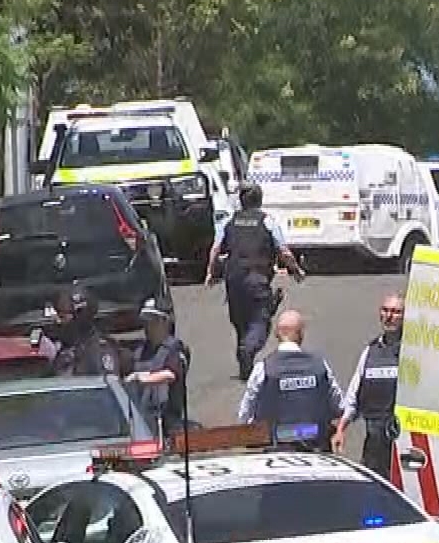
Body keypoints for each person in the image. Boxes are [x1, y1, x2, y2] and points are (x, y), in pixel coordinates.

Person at [205, 183, 305, 380]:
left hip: (233, 280)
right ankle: (247, 350)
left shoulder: (229, 221)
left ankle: (244, 359)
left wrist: (211, 272)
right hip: (257, 278)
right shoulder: (267, 221)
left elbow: (215, 249)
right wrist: (296, 270)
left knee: (240, 321)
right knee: (261, 320)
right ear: (260, 200)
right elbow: (283, 251)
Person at [237, 310, 341, 452]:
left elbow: (246, 414)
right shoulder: (320, 365)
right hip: (317, 448)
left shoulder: (264, 368)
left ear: (276, 334)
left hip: (277, 450)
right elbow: (339, 405)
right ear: (301, 334)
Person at [333, 293, 404, 474]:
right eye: (385, 310)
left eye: (396, 312)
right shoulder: (370, 351)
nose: (389, 316)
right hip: (374, 444)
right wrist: (341, 430)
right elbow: (353, 396)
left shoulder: (410, 352)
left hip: (403, 443)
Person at [125, 298, 191, 430]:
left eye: (153, 321)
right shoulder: (140, 351)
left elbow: (170, 375)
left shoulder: (174, 349)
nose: (148, 326)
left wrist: (142, 378)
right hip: (142, 417)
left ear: (165, 322)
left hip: (166, 420)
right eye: (146, 321)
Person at [50, 287, 120, 377]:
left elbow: (106, 386)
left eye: (62, 316)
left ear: (79, 318)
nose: (57, 321)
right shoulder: (62, 348)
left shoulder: (100, 350)